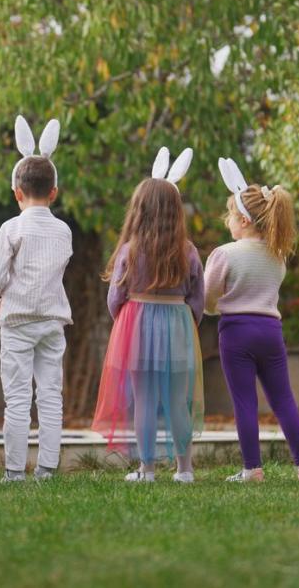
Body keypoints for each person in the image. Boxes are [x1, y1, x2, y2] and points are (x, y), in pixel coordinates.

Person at [92, 148, 204, 483]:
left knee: (144, 401)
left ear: (139, 211)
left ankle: (148, 469)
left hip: (137, 327)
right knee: (177, 400)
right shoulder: (189, 251)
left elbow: (116, 297)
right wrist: (187, 325)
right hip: (177, 326)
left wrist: (125, 322)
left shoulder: (129, 251)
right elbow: (197, 298)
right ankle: (185, 470)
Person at [205, 158, 299, 482]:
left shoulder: (224, 253)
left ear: (242, 218)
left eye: (229, 215)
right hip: (270, 330)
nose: (227, 222)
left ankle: (252, 468)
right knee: (283, 399)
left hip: (236, 332)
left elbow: (208, 296)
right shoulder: (277, 256)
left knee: (244, 402)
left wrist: (213, 309)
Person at [0, 117, 73, 483]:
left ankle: (14, 470)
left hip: (18, 321)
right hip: (52, 321)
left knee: (17, 398)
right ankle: (48, 468)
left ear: (16, 192)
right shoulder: (64, 229)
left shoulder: (11, 228)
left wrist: (0, 293)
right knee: (51, 395)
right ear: (54, 192)